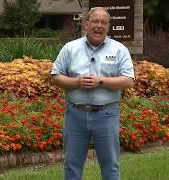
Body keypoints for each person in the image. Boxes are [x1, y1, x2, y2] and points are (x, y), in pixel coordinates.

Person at [51, 7, 135, 180]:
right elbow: (55, 76)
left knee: (110, 166)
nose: (99, 26)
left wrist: (101, 81)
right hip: (75, 114)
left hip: (107, 115)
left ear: (108, 26)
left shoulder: (119, 50)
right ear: (86, 25)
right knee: (72, 165)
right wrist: (77, 82)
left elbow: (128, 80)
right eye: (95, 21)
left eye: (103, 22)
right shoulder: (70, 48)